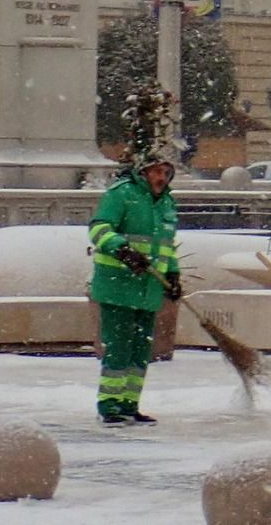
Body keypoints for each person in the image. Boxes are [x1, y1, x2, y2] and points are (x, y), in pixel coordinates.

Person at [86, 136, 181, 425]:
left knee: (141, 350)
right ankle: (109, 405)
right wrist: (122, 250)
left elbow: (166, 244)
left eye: (165, 172)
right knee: (119, 349)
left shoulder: (166, 203)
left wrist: (173, 274)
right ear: (142, 171)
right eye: (155, 171)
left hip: (148, 290)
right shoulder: (121, 194)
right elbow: (99, 229)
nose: (161, 177)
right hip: (118, 286)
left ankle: (130, 403)